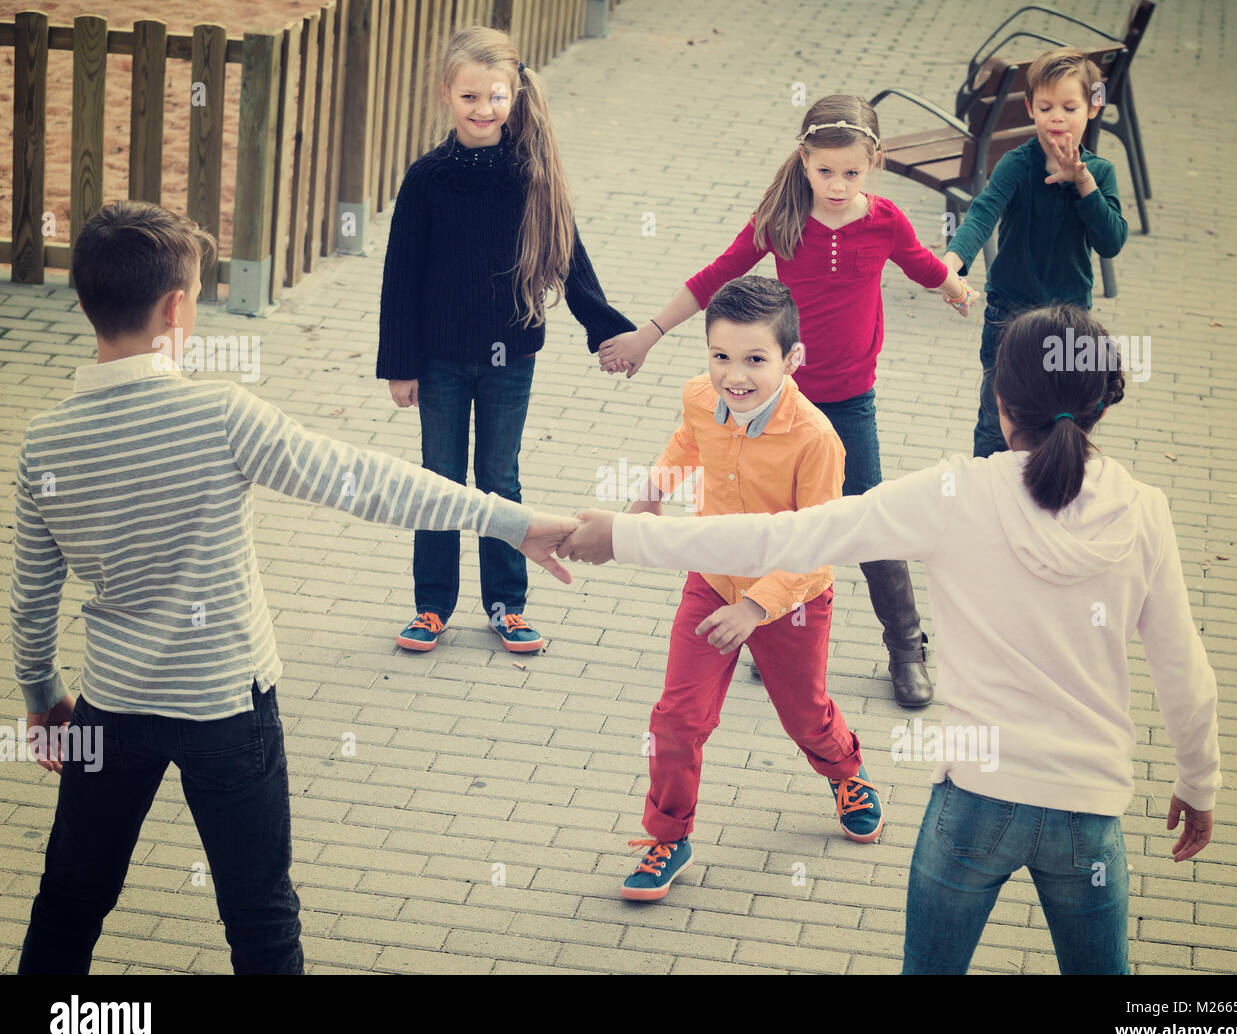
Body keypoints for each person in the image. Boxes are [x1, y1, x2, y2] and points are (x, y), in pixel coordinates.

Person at [560, 304, 1219, 974]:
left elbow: (786, 536)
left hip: (973, 806)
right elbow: (1185, 674)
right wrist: (1200, 781)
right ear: (1100, 402)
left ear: (1000, 398)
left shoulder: (955, 492)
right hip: (1091, 814)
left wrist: (622, 535)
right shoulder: (1145, 513)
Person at [12, 201, 577, 975]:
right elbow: (361, 481)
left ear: (82, 303)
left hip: (112, 703)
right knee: (259, 914)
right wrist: (510, 520)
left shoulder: (44, 438)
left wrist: (44, 697)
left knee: (71, 897)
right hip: (226, 708)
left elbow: (33, 595)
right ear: (178, 309)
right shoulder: (218, 412)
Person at [597, 95, 976, 709]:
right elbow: (716, 274)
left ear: (873, 164)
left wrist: (957, 289)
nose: (836, 183)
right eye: (824, 170)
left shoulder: (885, 221)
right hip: (779, 400)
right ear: (803, 160)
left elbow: (924, 267)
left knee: (867, 523)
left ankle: (906, 646)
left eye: (851, 172)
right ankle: (771, 633)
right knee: (775, 522)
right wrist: (648, 334)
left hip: (850, 401)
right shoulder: (781, 219)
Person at [618, 276, 884, 902]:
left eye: (755, 360)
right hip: (711, 581)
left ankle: (846, 771)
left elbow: (821, 549)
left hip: (790, 601)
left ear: (792, 361)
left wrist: (756, 606)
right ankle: (668, 836)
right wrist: (654, 490)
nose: (734, 376)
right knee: (677, 718)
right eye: (720, 356)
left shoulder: (818, 440)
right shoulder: (697, 398)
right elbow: (688, 442)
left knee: (805, 716)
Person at [377, 26, 634, 656]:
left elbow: (569, 256)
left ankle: (506, 606)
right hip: (437, 361)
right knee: (439, 480)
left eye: (496, 96)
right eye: (470, 96)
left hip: (509, 358)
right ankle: (432, 606)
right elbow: (399, 274)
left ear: (516, 95)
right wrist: (399, 365)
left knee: (499, 480)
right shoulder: (427, 178)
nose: (483, 108)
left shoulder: (531, 174)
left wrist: (608, 329)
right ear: (447, 94)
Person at [942, 47, 1128, 459]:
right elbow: (983, 212)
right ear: (1030, 108)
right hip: (1009, 313)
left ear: (1093, 108)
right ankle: (986, 502)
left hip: (1069, 319)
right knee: (996, 420)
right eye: (1045, 107)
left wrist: (1082, 183)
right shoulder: (1016, 164)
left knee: (1064, 417)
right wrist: (951, 263)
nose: (1056, 117)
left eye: (1069, 106)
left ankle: (1051, 494)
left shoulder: (1101, 174)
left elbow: (1111, 241)